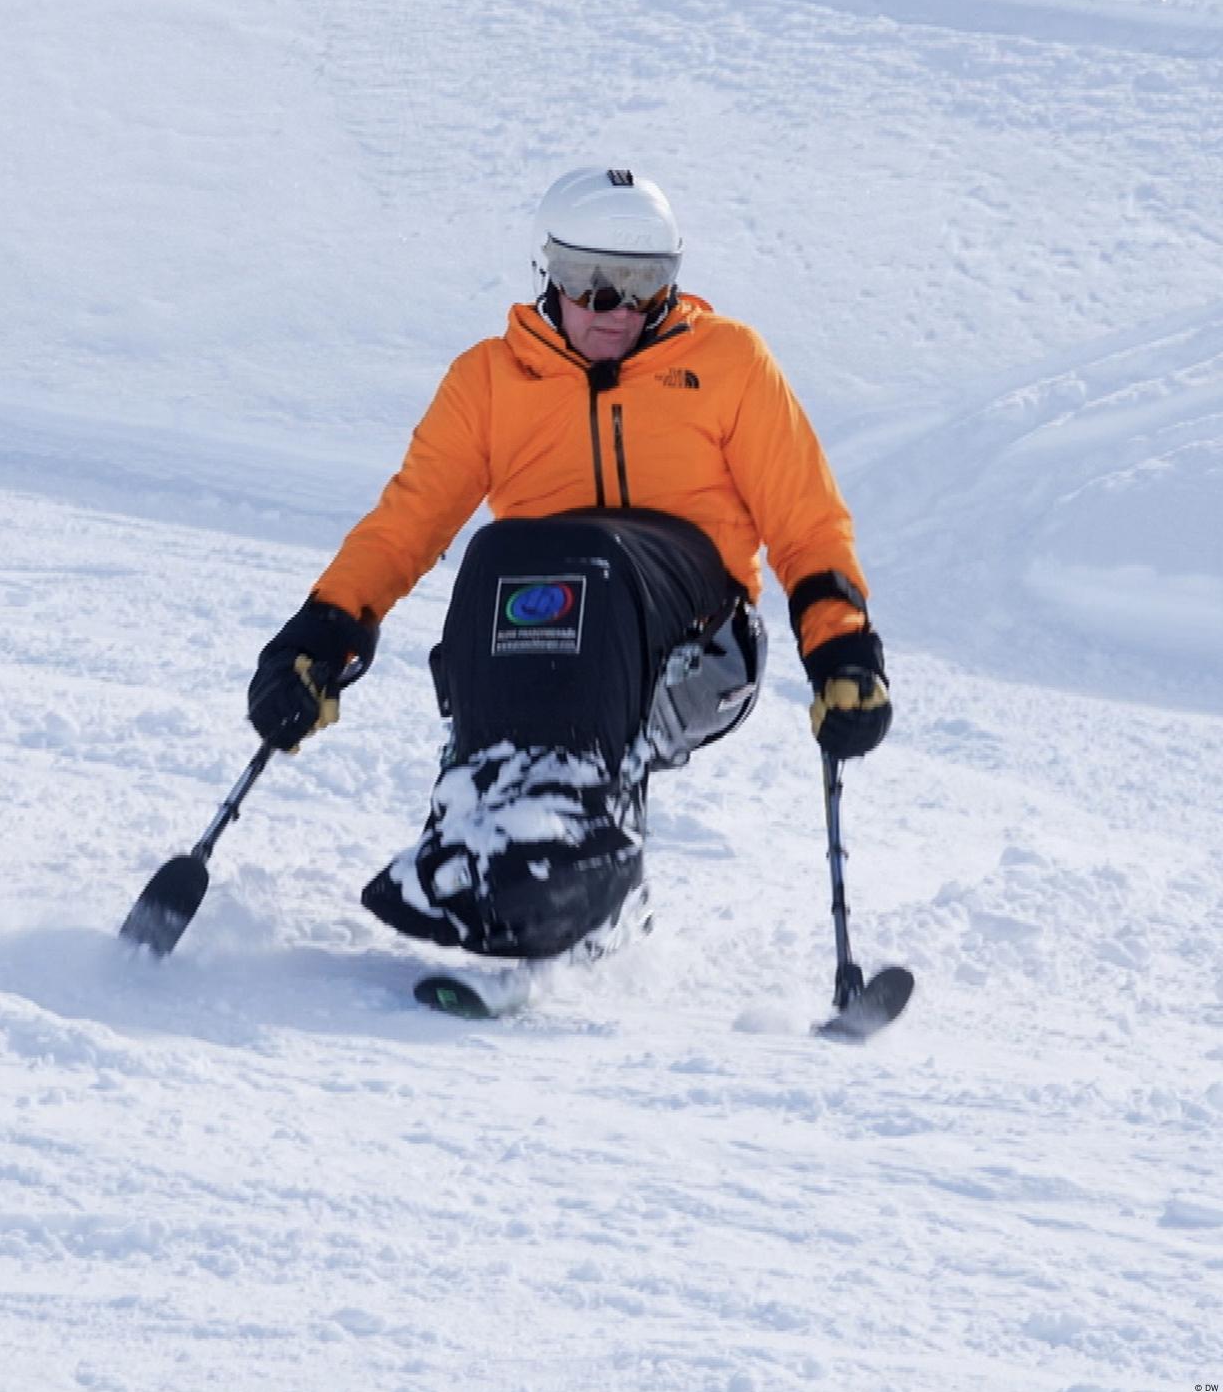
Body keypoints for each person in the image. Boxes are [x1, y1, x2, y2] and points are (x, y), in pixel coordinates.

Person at [247, 167, 891, 966]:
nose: (613, 310)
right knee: (498, 554)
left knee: (591, 561)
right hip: (545, 628)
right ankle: (479, 827)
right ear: (548, 272)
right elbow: (405, 524)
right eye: (590, 282)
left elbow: (805, 521)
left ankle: (582, 844)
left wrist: (843, 654)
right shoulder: (490, 379)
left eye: (639, 284)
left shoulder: (729, 364)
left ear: (671, 283)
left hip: (698, 650)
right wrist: (319, 635)